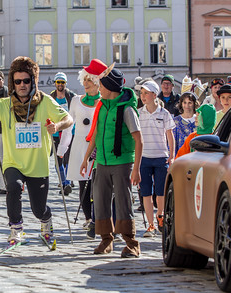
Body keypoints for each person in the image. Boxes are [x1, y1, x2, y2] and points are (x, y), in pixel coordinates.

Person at [0, 56, 73, 244]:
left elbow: (69, 119)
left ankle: (46, 220)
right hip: (13, 162)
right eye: (17, 81)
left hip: (37, 165)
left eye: (26, 81)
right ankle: (16, 228)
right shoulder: (6, 104)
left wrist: (57, 125)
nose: (22, 85)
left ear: (33, 81)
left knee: (38, 209)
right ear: (12, 84)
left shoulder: (45, 101)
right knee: (12, 187)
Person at [80, 63, 143, 258]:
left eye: (102, 85)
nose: (100, 88)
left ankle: (132, 243)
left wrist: (136, 169)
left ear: (111, 88)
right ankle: (106, 239)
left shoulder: (127, 110)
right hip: (102, 162)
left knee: (124, 202)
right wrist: (86, 159)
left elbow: (139, 140)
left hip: (122, 162)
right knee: (100, 200)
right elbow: (97, 134)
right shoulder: (103, 107)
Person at [57, 59, 107, 230]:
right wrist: (62, 148)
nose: (85, 83)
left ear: (97, 83)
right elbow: (68, 125)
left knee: (97, 184)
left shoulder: (105, 102)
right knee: (83, 183)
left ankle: (98, 217)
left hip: (98, 146)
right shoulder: (76, 101)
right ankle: (88, 218)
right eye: (84, 79)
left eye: (89, 80)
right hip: (80, 145)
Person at [137, 80, 175, 237]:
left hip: (160, 157)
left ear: (154, 95)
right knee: (146, 193)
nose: (143, 96)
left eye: (146, 93)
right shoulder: (139, 113)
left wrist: (171, 155)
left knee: (160, 192)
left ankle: (160, 215)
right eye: (141, 93)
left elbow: (170, 135)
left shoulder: (164, 113)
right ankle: (150, 225)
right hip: (144, 158)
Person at [50, 72, 76, 195]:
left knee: (68, 159)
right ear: (55, 83)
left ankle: (67, 181)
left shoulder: (71, 96)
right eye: (58, 82)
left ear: (65, 83)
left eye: (62, 82)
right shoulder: (51, 97)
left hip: (70, 131)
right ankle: (65, 182)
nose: (60, 84)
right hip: (56, 133)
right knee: (57, 160)